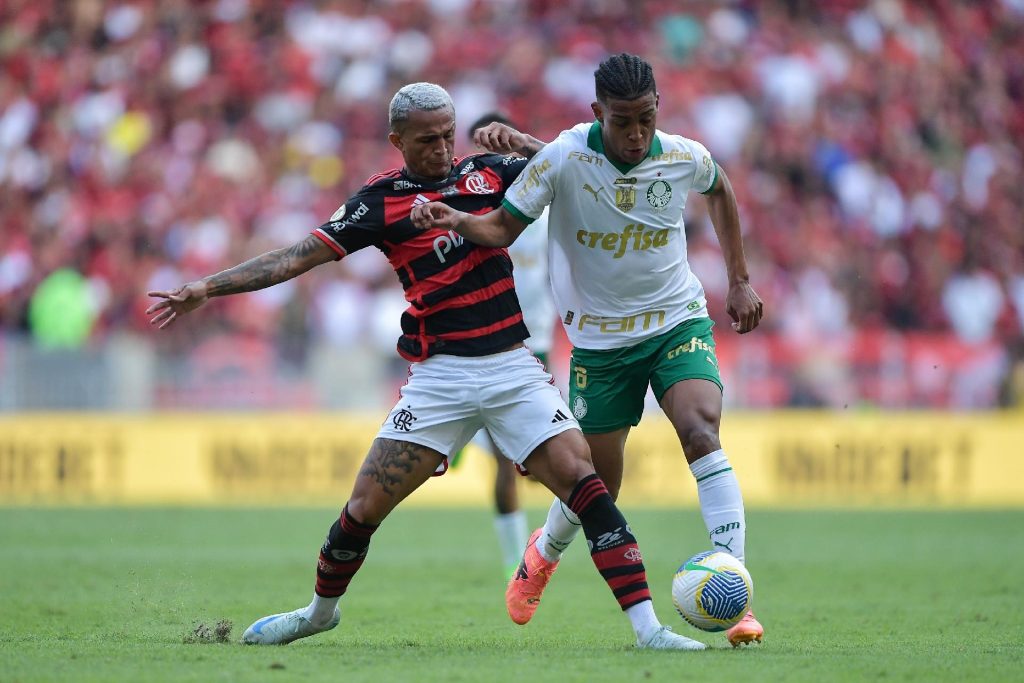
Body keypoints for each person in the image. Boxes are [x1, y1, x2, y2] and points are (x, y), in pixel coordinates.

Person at [147, 82, 705, 651]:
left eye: (447, 135)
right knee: (363, 508)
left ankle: (648, 630)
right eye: (426, 139)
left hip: (514, 368)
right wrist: (206, 288)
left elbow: (581, 168)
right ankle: (318, 614)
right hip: (440, 379)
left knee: (588, 487)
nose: (441, 148)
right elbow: (297, 255)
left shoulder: (489, 174)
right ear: (397, 141)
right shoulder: (378, 203)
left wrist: (521, 142)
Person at [410, 54, 766, 647]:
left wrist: (738, 279)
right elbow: (501, 227)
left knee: (700, 429)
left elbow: (721, 189)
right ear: (597, 113)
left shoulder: (682, 155)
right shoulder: (562, 158)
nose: (636, 134)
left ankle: (737, 592)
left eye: (646, 119)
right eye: (623, 121)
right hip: (600, 344)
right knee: (596, 483)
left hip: (677, 321)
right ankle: (542, 555)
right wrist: (454, 219)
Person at [454, 111, 558, 580]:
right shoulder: (467, 209)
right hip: (489, 341)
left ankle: (461, 434)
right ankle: (514, 565)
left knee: (536, 465)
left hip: (539, 344)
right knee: (506, 460)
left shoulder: (547, 201)